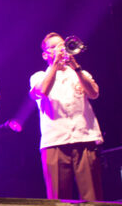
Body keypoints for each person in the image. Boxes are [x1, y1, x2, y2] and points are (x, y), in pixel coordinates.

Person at [29, 32, 103, 201]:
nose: (60, 49)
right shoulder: (38, 76)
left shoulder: (80, 73)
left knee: (92, 197)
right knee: (58, 198)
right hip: (55, 142)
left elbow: (94, 93)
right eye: (54, 47)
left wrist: (76, 66)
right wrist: (55, 65)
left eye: (62, 45)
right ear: (45, 54)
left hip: (85, 138)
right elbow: (43, 91)